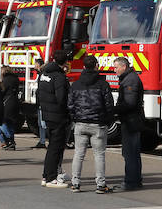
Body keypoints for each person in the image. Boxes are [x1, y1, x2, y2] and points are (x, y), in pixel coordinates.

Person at [68, 55, 115, 193]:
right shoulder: (103, 84)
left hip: (80, 123)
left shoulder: (76, 84)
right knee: (99, 155)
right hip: (98, 124)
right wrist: (107, 120)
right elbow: (109, 105)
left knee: (78, 154)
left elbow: (70, 105)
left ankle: (75, 183)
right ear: (97, 66)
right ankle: (100, 184)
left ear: (83, 67)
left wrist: (75, 118)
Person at [37, 50, 72, 188]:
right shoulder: (59, 77)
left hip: (47, 114)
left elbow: (39, 94)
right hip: (58, 116)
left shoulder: (44, 74)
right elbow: (61, 98)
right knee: (55, 148)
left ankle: (47, 175)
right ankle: (51, 177)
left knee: (51, 146)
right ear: (65, 62)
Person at [112, 56, 145, 190]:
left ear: (123, 67)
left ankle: (131, 182)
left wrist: (113, 110)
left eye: (116, 67)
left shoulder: (130, 80)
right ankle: (135, 180)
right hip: (132, 119)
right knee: (133, 152)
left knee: (130, 152)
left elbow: (130, 103)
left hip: (131, 120)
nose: (114, 70)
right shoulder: (129, 78)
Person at [0, 68, 22, 149]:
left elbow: (2, 91)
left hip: (7, 103)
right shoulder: (16, 79)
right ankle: (10, 143)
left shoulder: (5, 80)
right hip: (15, 102)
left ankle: (10, 140)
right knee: (11, 123)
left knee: (1, 123)